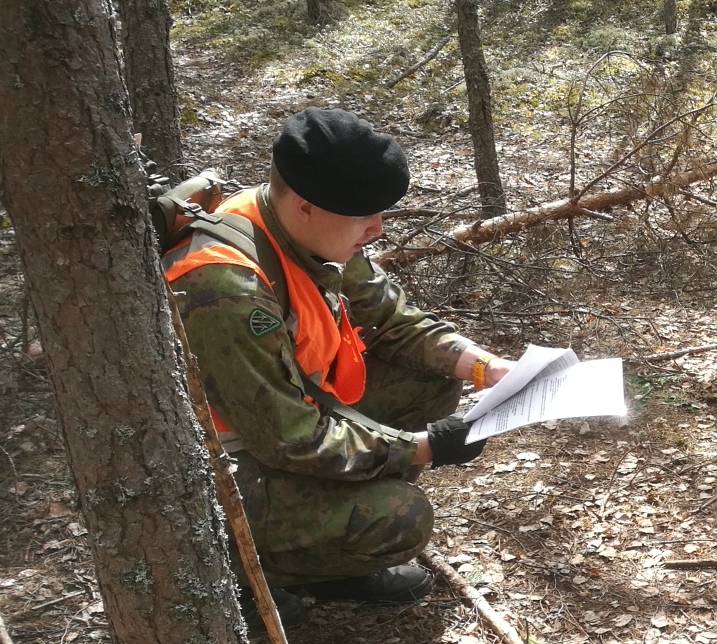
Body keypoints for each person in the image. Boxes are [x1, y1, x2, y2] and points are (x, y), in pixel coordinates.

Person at [163, 108, 512, 611]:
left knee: (430, 382)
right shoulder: (222, 287)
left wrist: (485, 367)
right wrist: (422, 448)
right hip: (216, 472)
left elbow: (394, 320)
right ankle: (240, 578)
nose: (377, 228)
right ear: (306, 205)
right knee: (399, 518)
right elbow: (292, 438)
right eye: (364, 214)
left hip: (282, 423)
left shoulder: (306, 230)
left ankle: (329, 549)